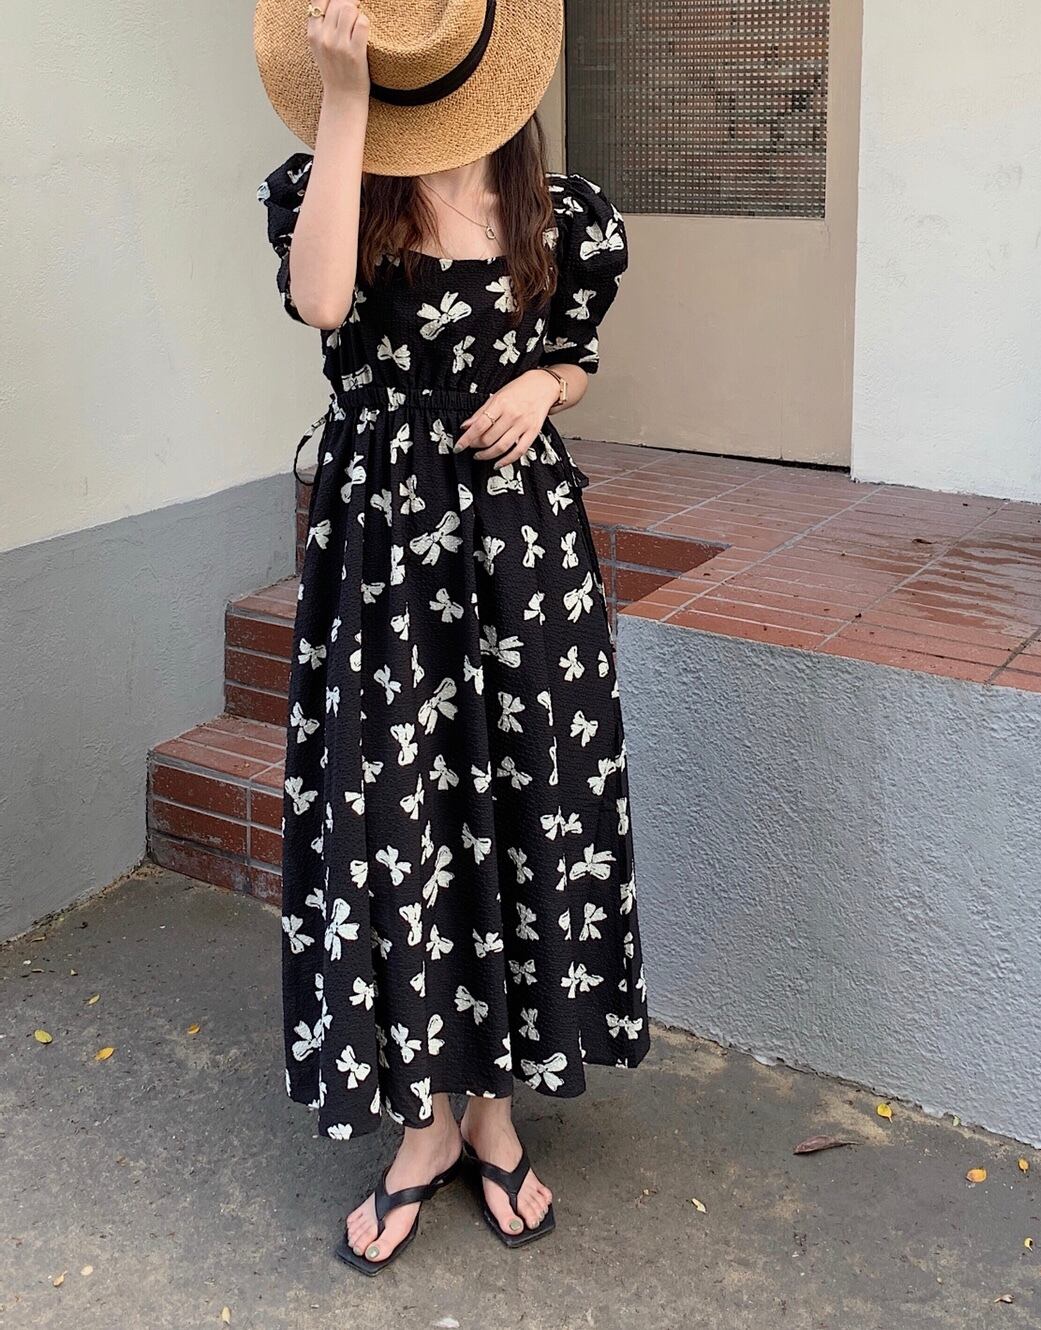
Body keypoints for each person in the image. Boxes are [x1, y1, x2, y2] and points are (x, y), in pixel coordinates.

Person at [253, 0, 650, 1275]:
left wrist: (542, 382)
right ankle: (423, 1120)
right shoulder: (330, 191)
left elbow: (575, 352)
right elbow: (321, 302)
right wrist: (348, 104)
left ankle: (492, 1110)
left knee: (525, 809)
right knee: (401, 821)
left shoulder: (564, 215)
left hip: (522, 556)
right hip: (384, 558)